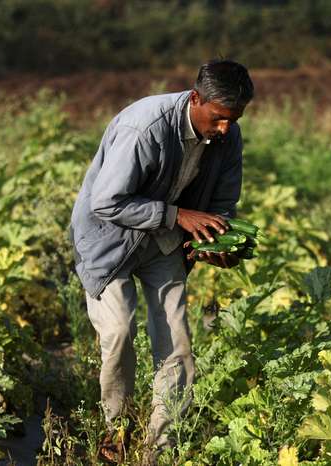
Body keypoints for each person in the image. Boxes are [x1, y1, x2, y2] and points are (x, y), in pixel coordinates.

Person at [68, 59, 253, 463]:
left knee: (176, 344)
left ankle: (161, 446)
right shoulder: (145, 128)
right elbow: (107, 202)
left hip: (162, 242)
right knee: (119, 332)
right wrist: (177, 215)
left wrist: (217, 243)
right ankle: (116, 429)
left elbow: (223, 204)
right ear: (195, 99)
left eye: (234, 119)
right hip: (109, 240)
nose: (225, 128)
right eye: (219, 118)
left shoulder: (229, 136)